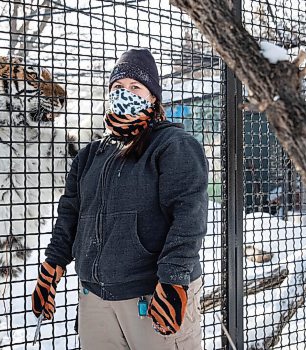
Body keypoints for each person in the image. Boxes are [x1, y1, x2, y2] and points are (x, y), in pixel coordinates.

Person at [31, 48, 208, 349]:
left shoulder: (174, 145)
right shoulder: (90, 155)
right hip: (95, 300)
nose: (125, 93)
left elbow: (189, 216)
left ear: (153, 97)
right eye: (118, 88)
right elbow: (70, 215)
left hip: (154, 297)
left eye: (135, 87)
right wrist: (52, 265)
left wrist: (173, 279)